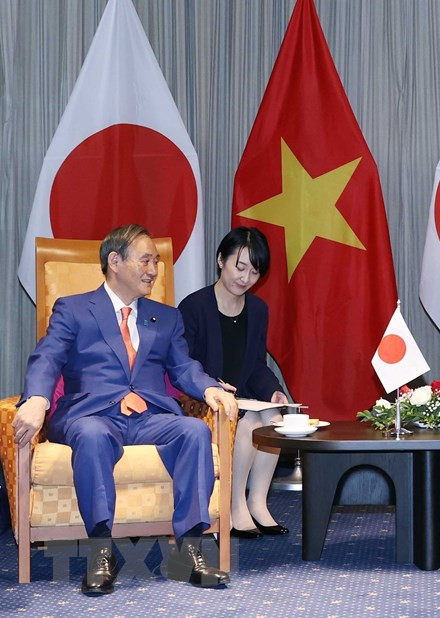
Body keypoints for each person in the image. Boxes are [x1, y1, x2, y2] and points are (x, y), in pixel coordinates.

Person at [12, 224, 238, 595]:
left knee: (195, 431)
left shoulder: (165, 317)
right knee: (92, 434)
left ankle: (189, 551)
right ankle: (102, 552)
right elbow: (48, 357)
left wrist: (209, 387)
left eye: (156, 261)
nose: (153, 269)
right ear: (114, 261)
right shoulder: (73, 309)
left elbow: (182, 367)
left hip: (149, 418)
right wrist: (36, 398)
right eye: (145, 260)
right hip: (93, 415)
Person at [179, 227, 289, 539]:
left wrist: (273, 390)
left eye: (254, 272)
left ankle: (258, 501)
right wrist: (213, 385)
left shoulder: (258, 310)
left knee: (274, 417)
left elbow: (256, 365)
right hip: (204, 400)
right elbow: (183, 365)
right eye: (239, 267)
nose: (245, 278)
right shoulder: (194, 307)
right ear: (220, 260)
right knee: (250, 419)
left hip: (244, 399)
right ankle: (233, 503)